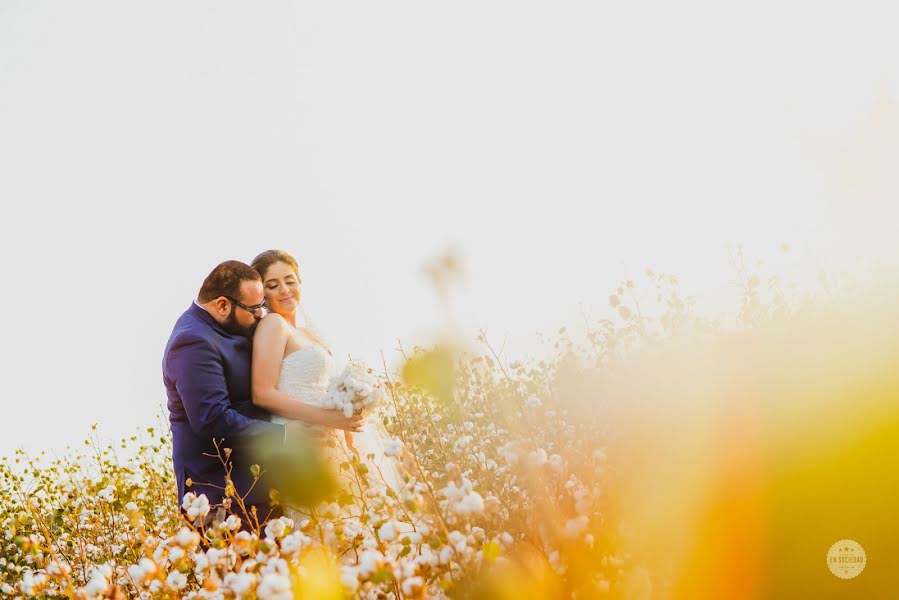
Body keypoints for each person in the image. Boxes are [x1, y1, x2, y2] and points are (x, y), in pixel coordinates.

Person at [249, 250, 403, 493]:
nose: (285, 290)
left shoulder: (308, 333)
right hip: (303, 439)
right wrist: (324, 418)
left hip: (332, 440)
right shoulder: (273, 324)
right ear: (262, 293)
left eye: (290, 281)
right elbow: (262, 393)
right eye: (273, 285)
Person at [163, 260, 294, 531]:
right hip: (222, 501)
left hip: (253, 489)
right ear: (222, 305)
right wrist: (283, 435)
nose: (260, 315)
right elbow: (213, 419)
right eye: (254, 308)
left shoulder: (225, 325)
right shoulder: (192, 342)